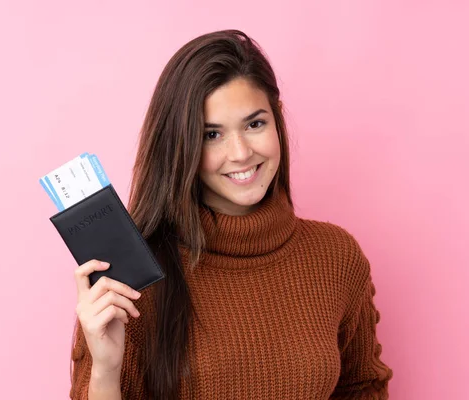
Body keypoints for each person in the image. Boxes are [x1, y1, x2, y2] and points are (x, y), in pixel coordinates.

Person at [69, 29, 393, 400]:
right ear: (180, 145)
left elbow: (362, 388)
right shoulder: (133, 276)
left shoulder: (336, 256)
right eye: (211, 135)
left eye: (255, 124)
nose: (240, 153)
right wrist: (106, 369)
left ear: (277, 121)